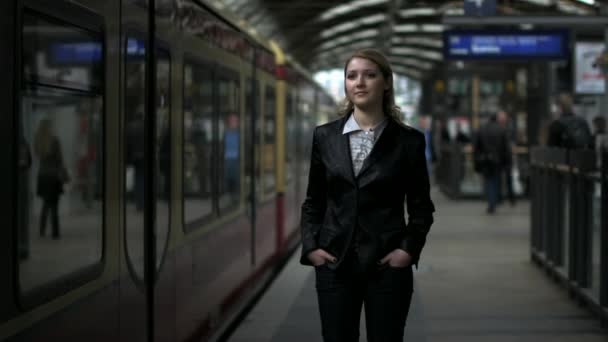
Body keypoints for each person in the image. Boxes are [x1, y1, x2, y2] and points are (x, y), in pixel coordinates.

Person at [300, 49, 435, 342]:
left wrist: (407, 250)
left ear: (386, 83)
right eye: (352, 76)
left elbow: (421, 207)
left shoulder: (409, 141)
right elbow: (314, 201)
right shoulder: (324, 137)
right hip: (335, 264)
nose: (359, 82)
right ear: (346, 84)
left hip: (387, 266)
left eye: (369, 75)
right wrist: (311, 247)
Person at [34, 118, 69, 239]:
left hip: (43, 176)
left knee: (45, 204)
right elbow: (60, 159)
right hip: (53, 176)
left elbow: (38, 156)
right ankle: (55, 232)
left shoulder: (38, 140)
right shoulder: (54, 140)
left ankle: (42, 230)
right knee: (54, 206)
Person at [473, 113, 511, 214]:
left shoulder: (482, 129)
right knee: (496, 180)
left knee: (489, 181)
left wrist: (477, 159)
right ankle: (495, 200)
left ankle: (491, 202)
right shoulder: (501, 130)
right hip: (498, 160)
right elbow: (506, 148)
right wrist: (507, 160)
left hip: (485, 159)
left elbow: (477, 146)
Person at [496, 110, 516, 206]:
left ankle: (511, 198)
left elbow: (511, 141)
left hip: (507, 157)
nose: (502, 119)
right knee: (499, 179)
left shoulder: (509, 128)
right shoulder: (497, 128)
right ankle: (499, 198)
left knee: (509, 178)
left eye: (503, 117)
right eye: (500, 117)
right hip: (499, 157)